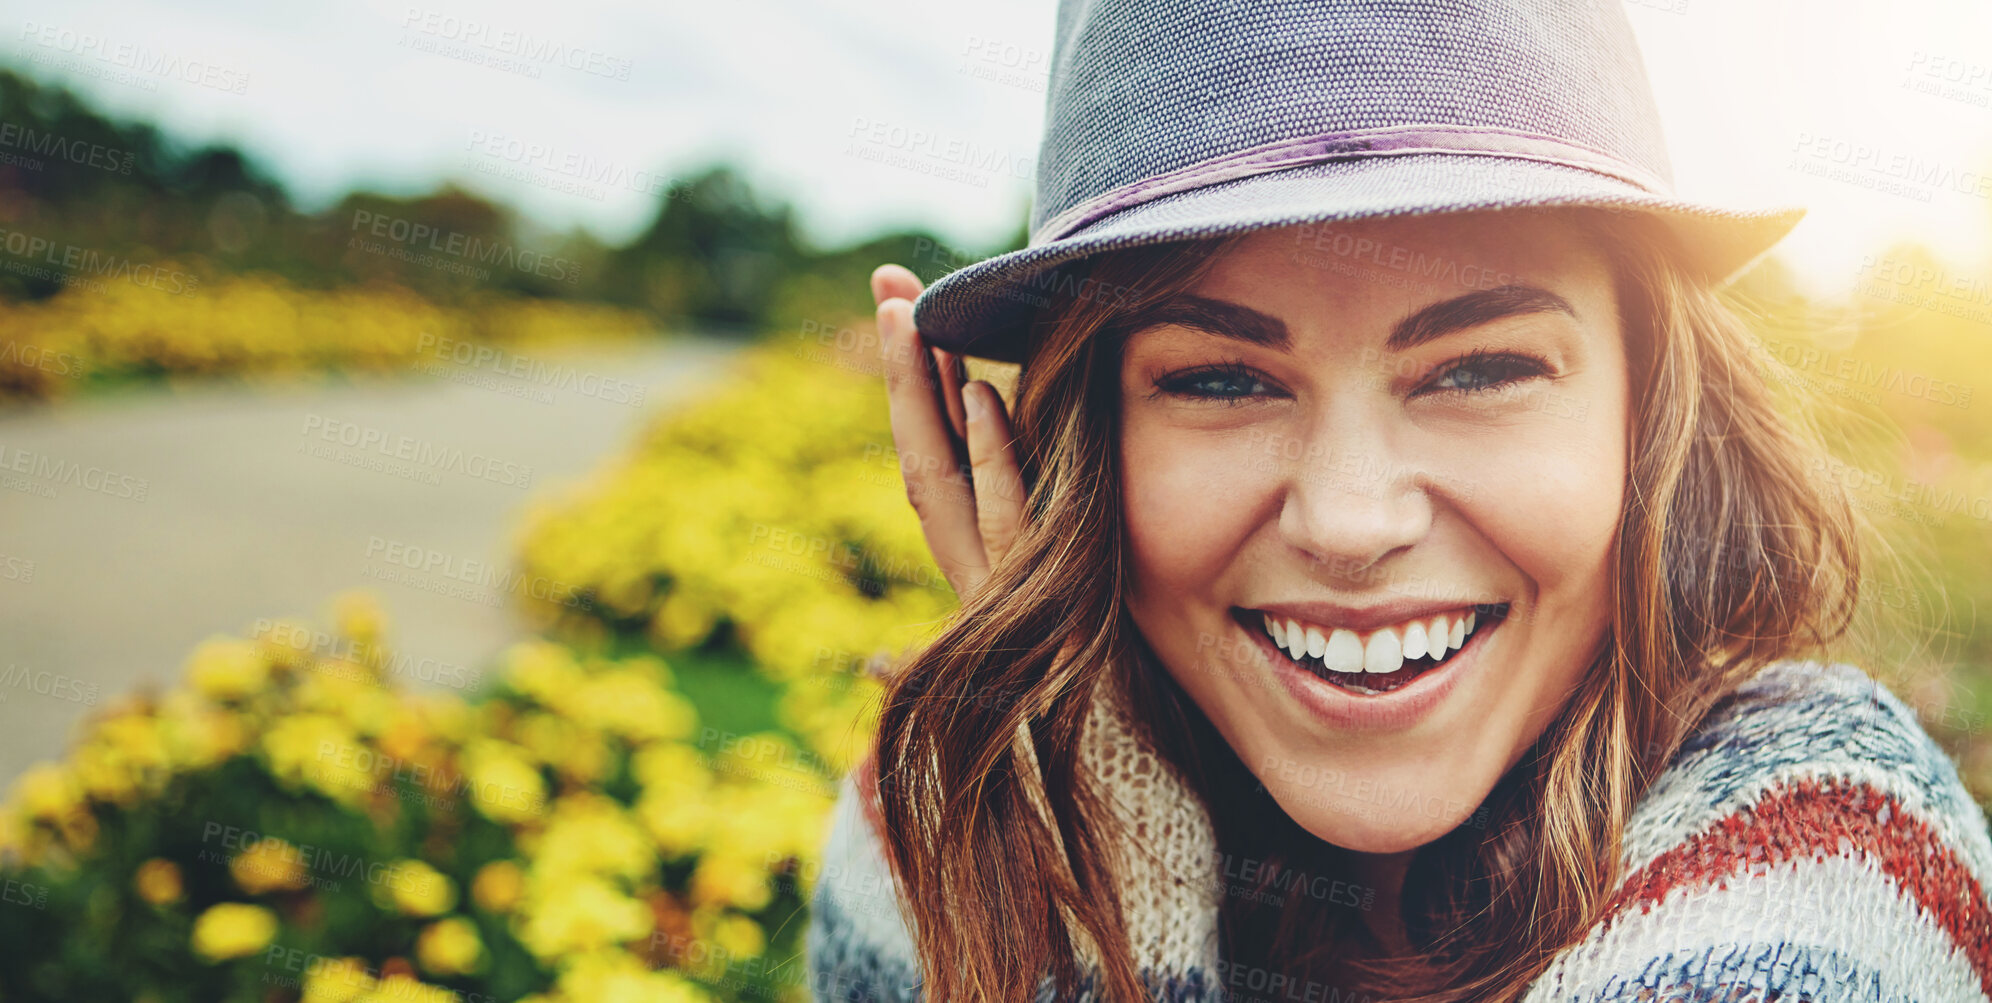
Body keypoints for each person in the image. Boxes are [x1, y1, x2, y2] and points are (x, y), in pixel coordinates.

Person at [806, 2, 1992, 1001]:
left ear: (1653, 412)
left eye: (1481, 369)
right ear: (1085, 440)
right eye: (1220, 379)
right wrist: (1067, 802)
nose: (1350, 520)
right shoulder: (932, 828)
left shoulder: (1832, 850)